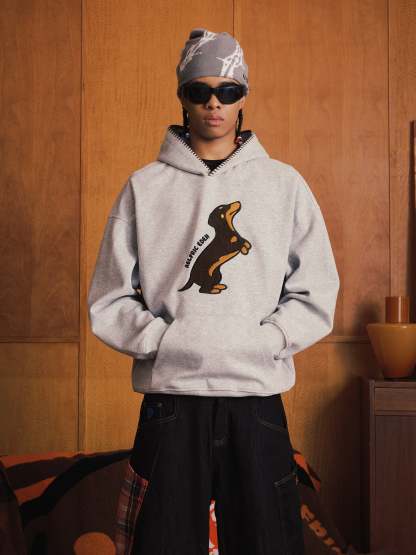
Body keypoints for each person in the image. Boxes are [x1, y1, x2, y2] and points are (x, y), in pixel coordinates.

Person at [87, 27, 340, 555]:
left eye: (227, 91)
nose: (213, 103)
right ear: (182, 96)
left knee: (268, 543)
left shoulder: (284, 185)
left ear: (244, 96)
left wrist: (269, 340)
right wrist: (165, 341)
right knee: (162, 544)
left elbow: (316, 291)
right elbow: (109, 299)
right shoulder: (144, 187)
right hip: (171, 399)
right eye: (199, 90)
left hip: (256, 397)